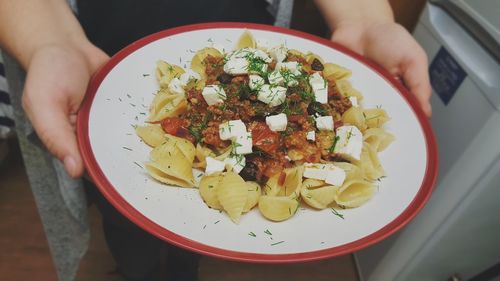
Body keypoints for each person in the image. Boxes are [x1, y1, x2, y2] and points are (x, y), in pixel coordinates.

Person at [0, 0, 432, 280]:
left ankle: (182, 269)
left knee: (188, 247)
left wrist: (364, 18)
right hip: (100, 54)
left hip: (243, 46)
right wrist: (50, 41)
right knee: (127, 221)